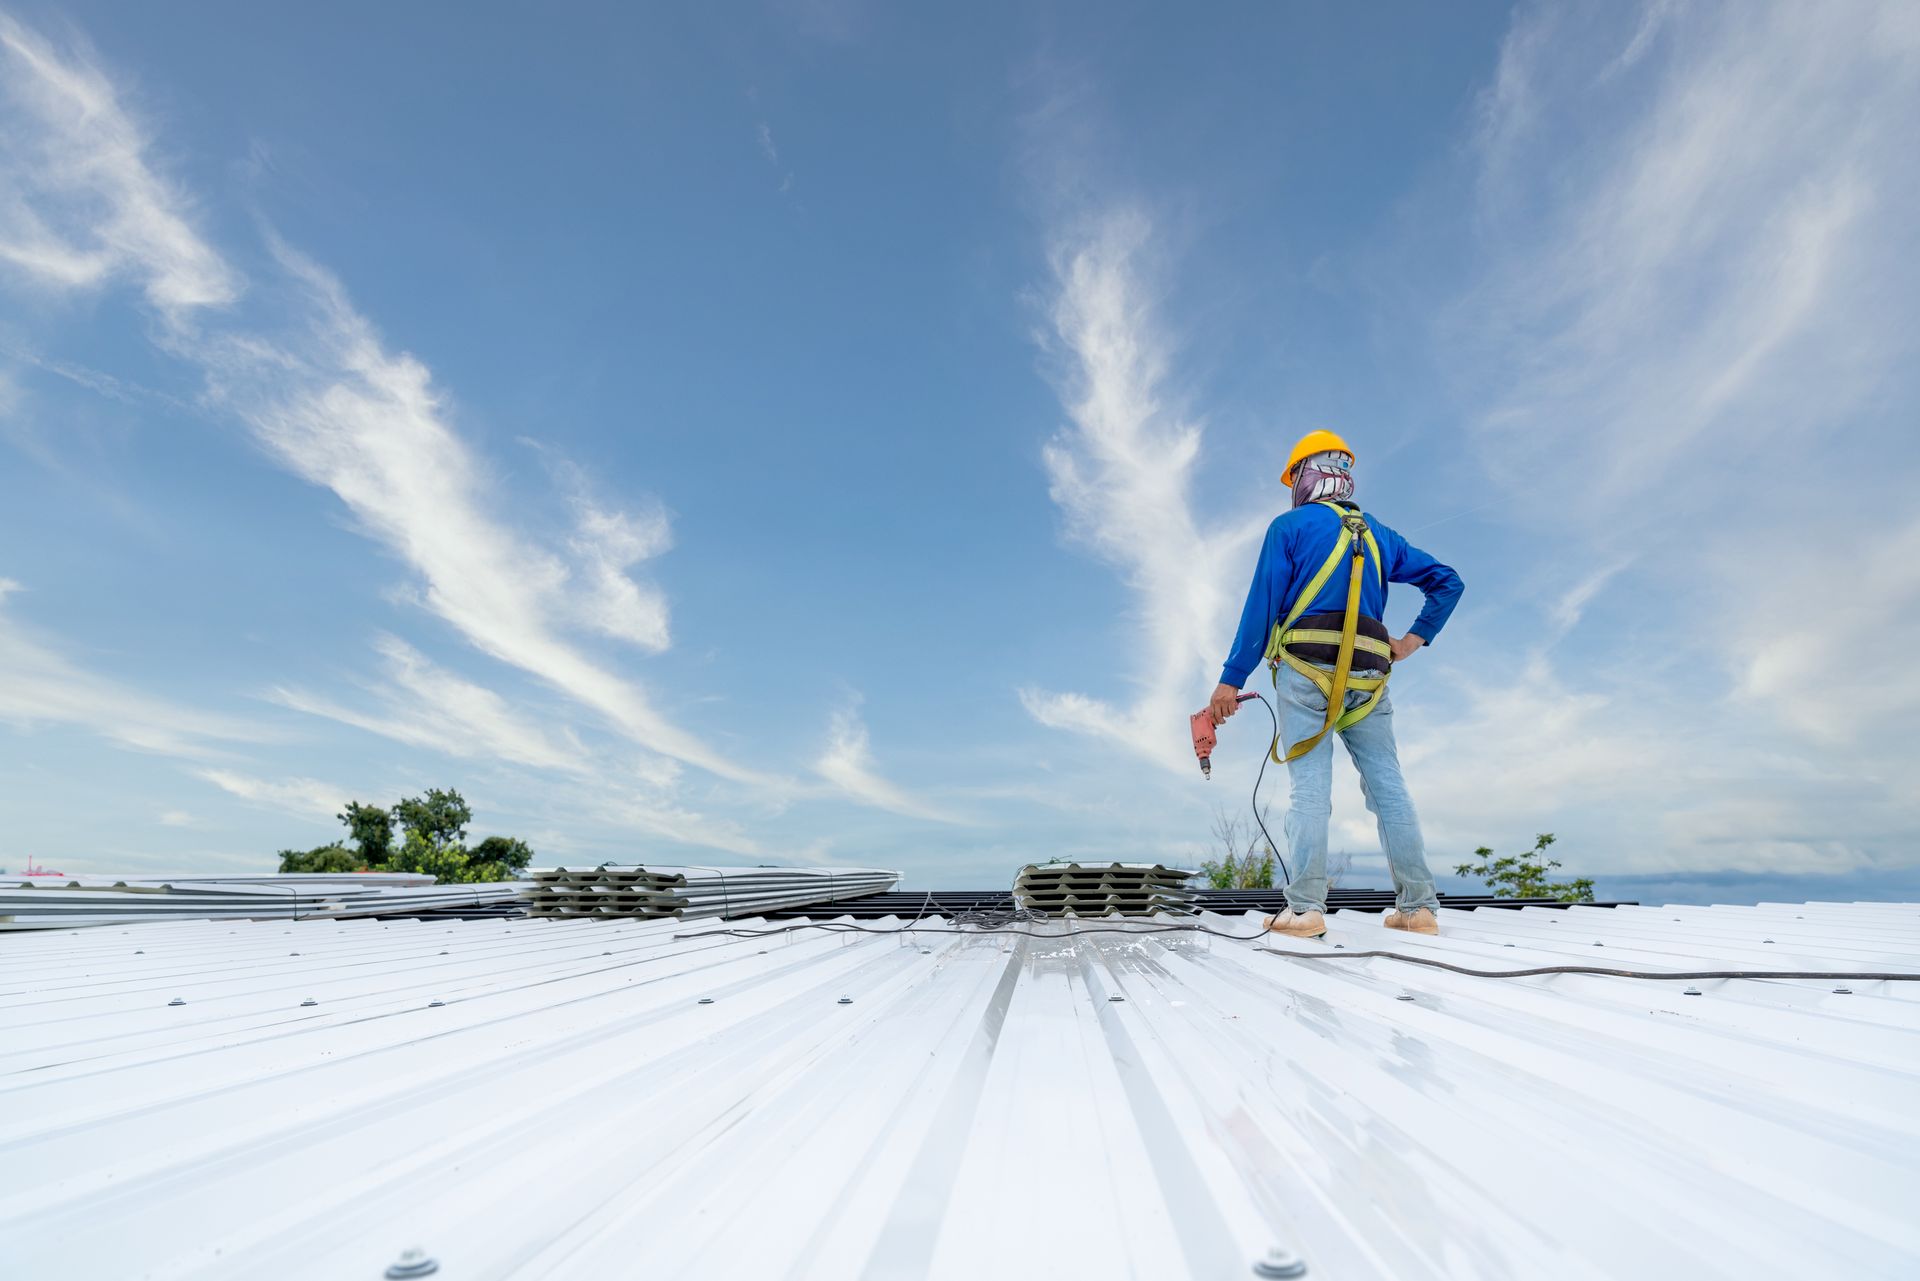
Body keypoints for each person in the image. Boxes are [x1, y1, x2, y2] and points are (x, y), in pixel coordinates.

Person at [1207, 430, 1463, 938]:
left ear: (1305, 475)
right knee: (1388, 785)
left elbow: (1261, 606)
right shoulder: (1379, 535)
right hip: (1370, 680)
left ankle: (1304, 910)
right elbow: (1448, 581)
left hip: (1305, 671)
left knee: (1309, 790)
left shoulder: (1289, 527)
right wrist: (1412, 640)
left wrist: (1230, 680)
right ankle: (1418, 909)